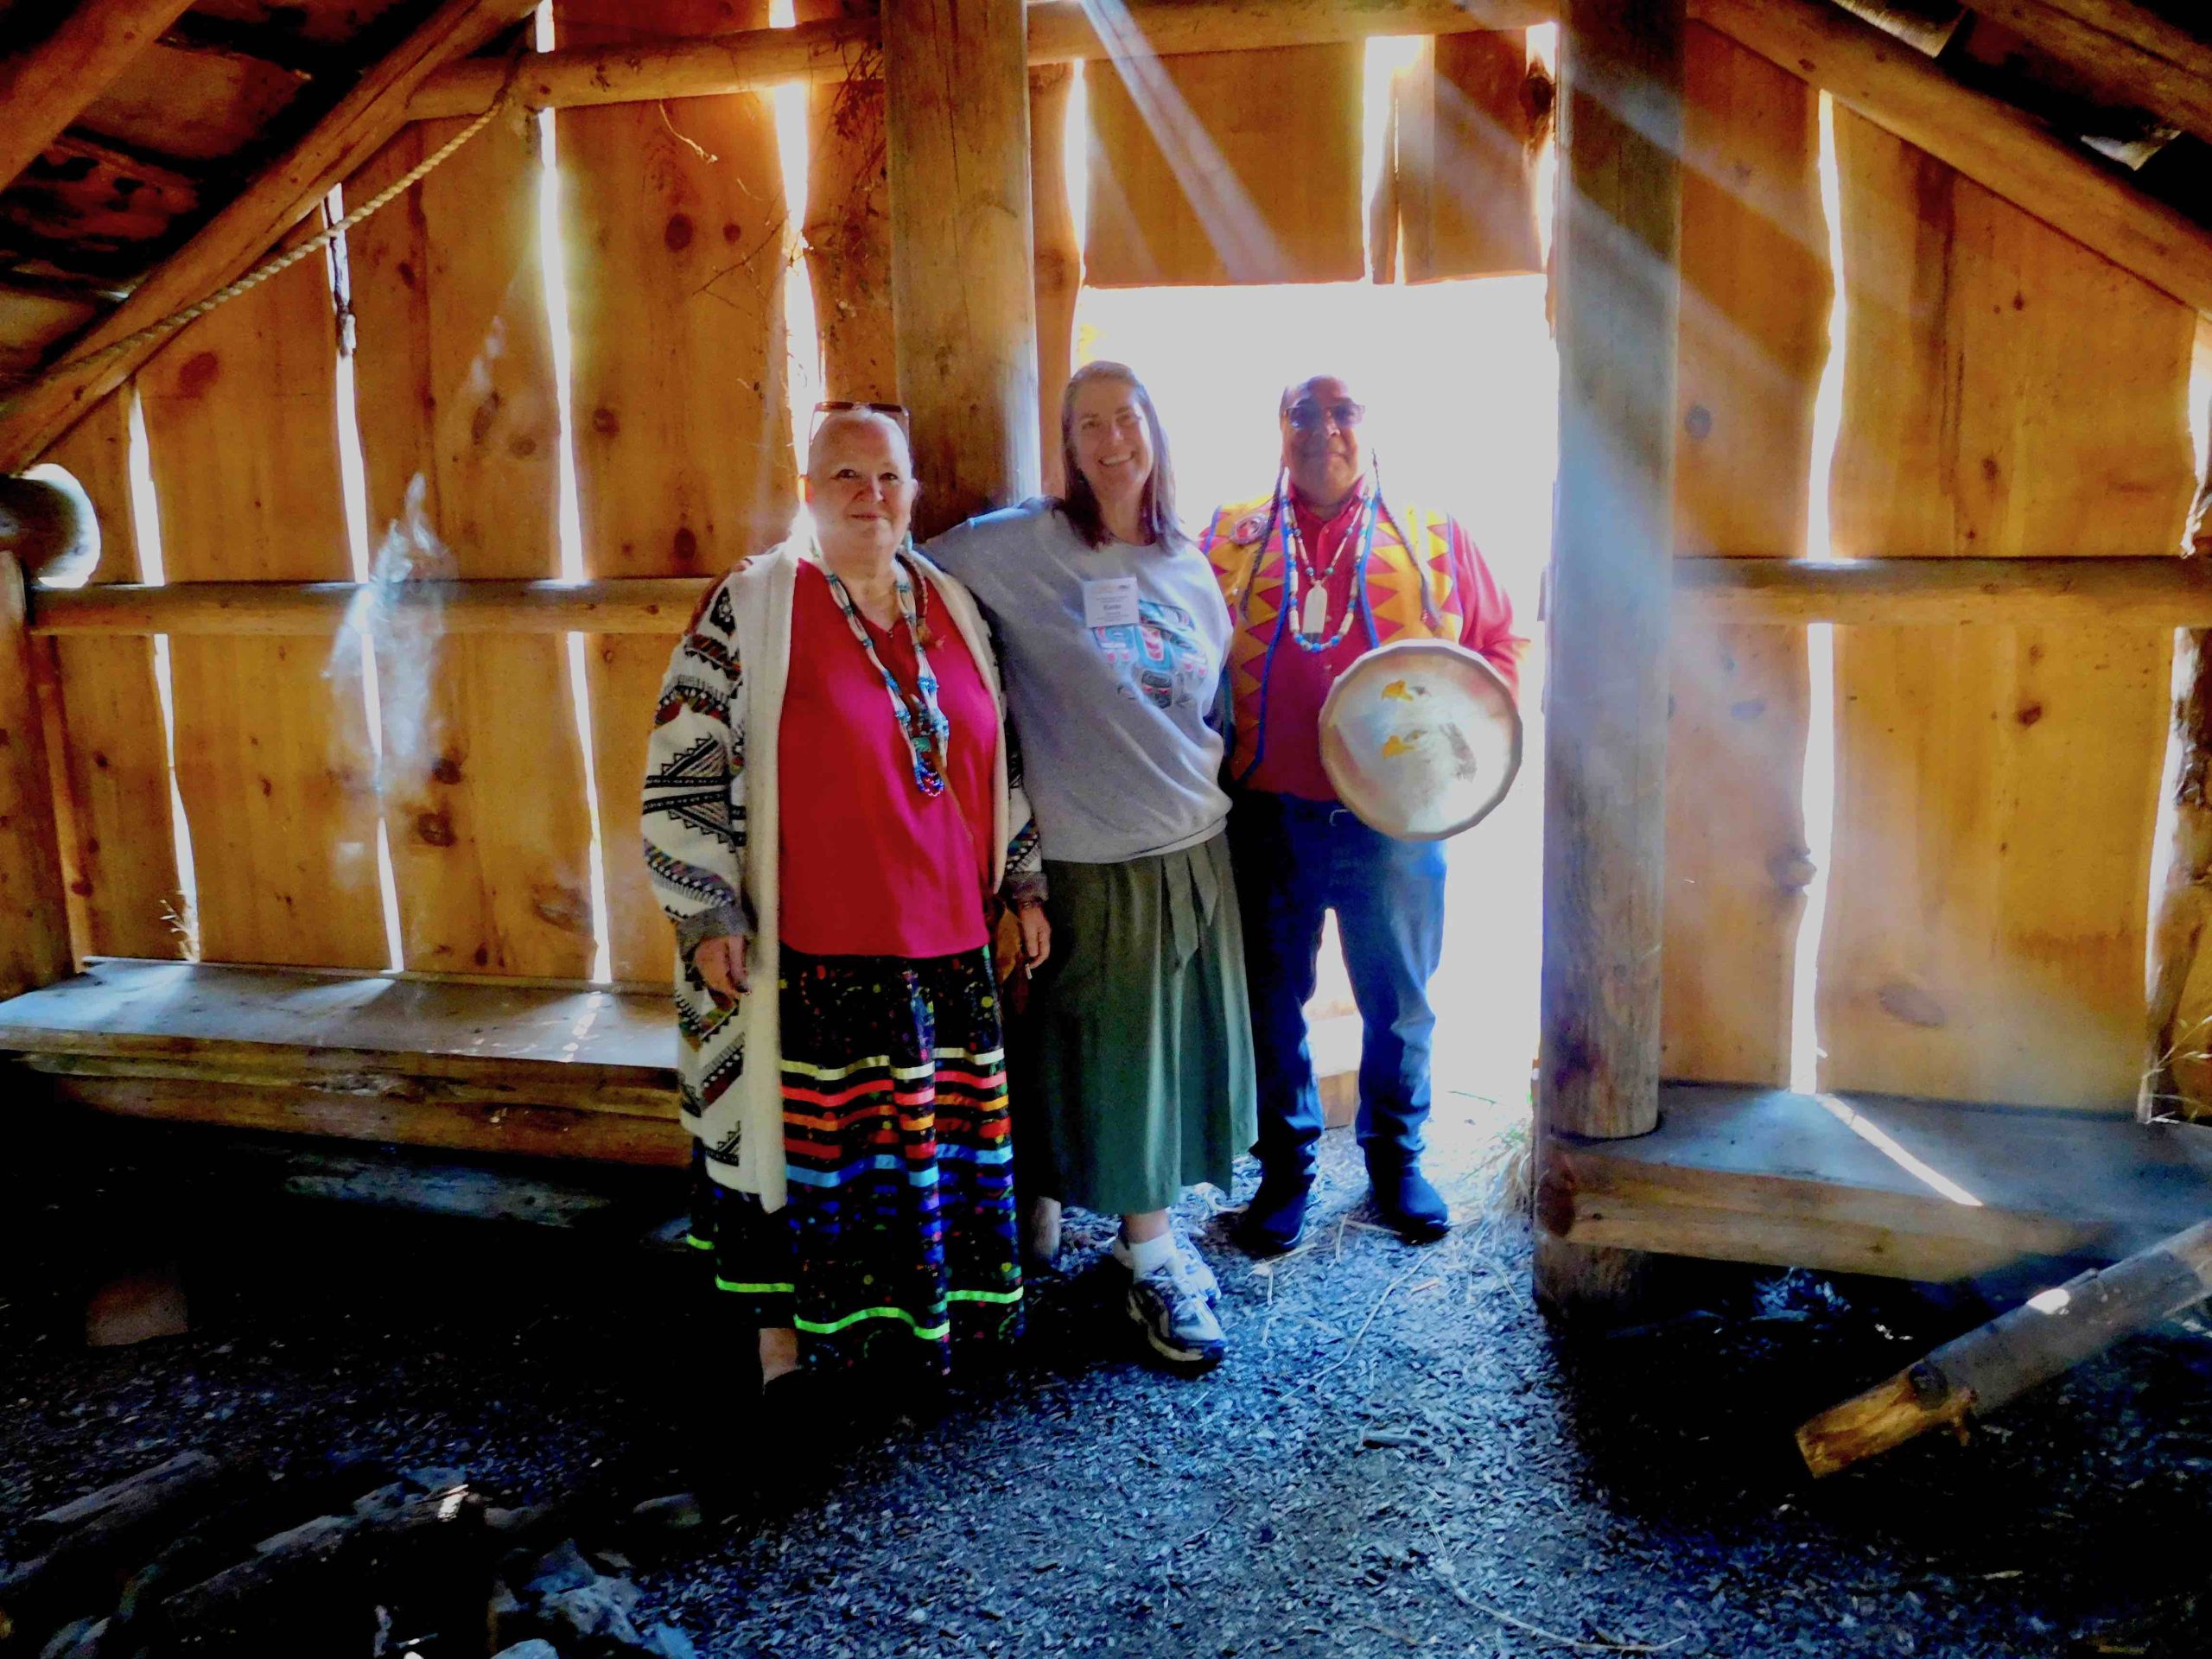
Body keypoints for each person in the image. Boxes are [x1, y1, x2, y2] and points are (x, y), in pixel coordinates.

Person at [642, 404, 1051, 1395]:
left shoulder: (951, 606)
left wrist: (1023, 880)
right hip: (809, 955)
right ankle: (785, 1352)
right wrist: (706, 911)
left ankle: (918, 1336)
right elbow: (683, 762)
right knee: (814, 1156)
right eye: (845, 478)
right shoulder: (754, 604)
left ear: (912, 493)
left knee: (923, 1149)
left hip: (946, 946)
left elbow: (999, 764)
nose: (870, 497)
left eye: (888, 478)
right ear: (808, 490)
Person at [927, 361, 1255, 1372]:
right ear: (1065, 448)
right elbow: (906, 568)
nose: (1111, 440)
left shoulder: (1185, 561)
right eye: (1087, 425)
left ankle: (1137, 1241)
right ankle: (1149, 1253)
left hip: (1191, 843)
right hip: (1088, 855)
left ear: (1154, 429)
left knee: (1160, 1061)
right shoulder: (1022, 546)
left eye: (1127, 418)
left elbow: (1206, 708)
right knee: (1112, 1064)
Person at [1201, 374, 1525, 1255]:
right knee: (1274, 999)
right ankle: (1285, 1172)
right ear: (1279, 430)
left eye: (1343, 411)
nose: (1323, 429)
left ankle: (1395, 1162)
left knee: (1400, 1002)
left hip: (1395, 823)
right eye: (1303, 411)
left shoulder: (1430, 535)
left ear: (1370, 427)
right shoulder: (1231, 538)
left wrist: (1457, 741)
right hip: (1267, 818)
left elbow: (1501, 645)